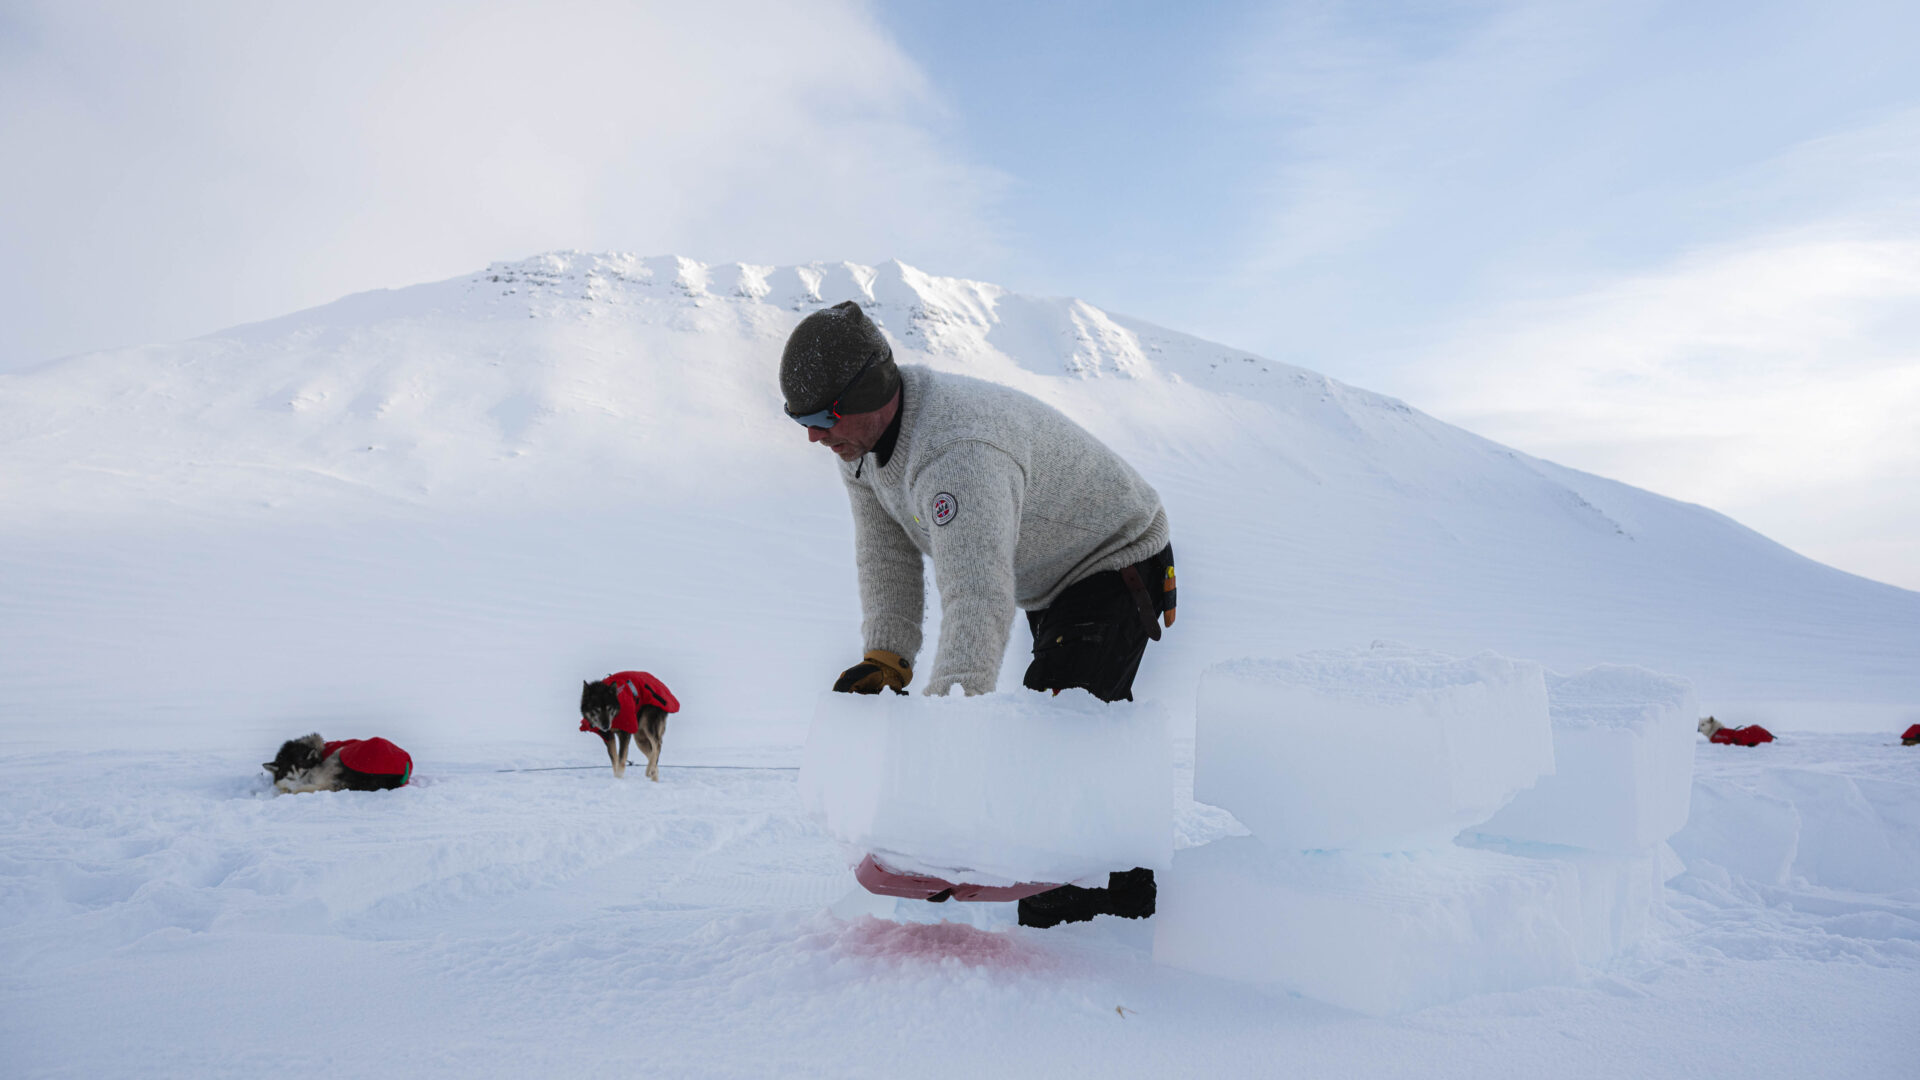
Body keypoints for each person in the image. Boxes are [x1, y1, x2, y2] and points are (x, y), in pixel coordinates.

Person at [780, 300, 1176, 926]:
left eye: (820, 417)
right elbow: (885, 555)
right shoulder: (857, 446)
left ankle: (1102, 926)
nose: (812, 435)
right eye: (798, 419)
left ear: (870, 392)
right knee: (1074, 730)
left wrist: (947, 751)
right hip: (1051, 578)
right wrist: (887, 655)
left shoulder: (958, 449)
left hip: (1115, 558)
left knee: (1057, 730)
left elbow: (977, 596)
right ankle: (1104, 897)